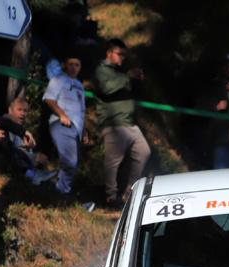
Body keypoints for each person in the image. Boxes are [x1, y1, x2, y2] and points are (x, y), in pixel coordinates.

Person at [93, 38, 150, 207]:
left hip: (129, 123)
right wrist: (127, 77)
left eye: (124, 55)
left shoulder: (121, 73)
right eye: (120, 54)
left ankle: (129, 193)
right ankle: (110, 197)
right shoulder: (101, 70)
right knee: (113, 162)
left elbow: (136, 95)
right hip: (113, 123)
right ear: (109, 53)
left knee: (144, 151)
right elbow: (106, 88)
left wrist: (138, 80)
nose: (122, 58)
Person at [43, 52, 88, 195]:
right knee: (70, 161)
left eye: (77, 65)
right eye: (71, 64)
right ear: (64, 65)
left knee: (71, 162)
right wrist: (61, 115)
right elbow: (49, 99)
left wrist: (84, 131)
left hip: (77, 127)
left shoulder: (79, 85)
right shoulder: (58, 80)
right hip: (62, 124)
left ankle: (58, 191)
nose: (74, 68)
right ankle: (61, 193)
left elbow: (82, 110)